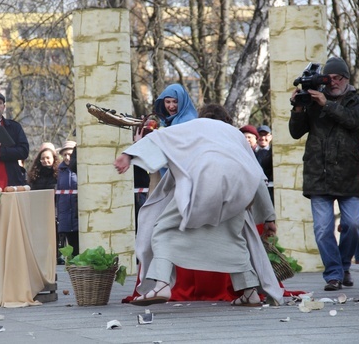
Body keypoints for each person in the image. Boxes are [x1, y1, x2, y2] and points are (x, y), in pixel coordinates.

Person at [114, 104, 283, 307]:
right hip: (238, 186)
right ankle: (250, 293)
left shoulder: (195, 125)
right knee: (234, 238)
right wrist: (269, 217)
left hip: (205, 180)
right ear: (226, 120)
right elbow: (257, 175)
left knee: (164, 229)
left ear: (203, 117)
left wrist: (130, 154)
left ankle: (161, 285)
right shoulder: (236, 135)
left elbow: (160, 138)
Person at [289, 56, 359, 291]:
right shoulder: (313, 100)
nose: (332, 82)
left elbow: (354, 121)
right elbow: (295, 132)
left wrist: (326, 104)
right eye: (329, 78)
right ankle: (333, 274)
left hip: (349, 175)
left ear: (346, 79)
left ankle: (343, 265)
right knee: (323, 229)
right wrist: (299, 107)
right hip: (318, 175)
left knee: (353, 224)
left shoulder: (358, 102)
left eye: (337, 78)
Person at [56, 141, 79, 257]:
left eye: (69, 154)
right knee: (70, 249)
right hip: (65, 215)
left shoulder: (79, 170)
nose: (67, 157)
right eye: (64, 155)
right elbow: (59, 195)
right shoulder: (60, 171)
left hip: (77, 215)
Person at [255, 125, 274, 204]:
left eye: (266, 135)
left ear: (271, 137)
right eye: (260, 135)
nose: (263, 138)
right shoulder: (251, 152)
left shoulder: (274, 153)